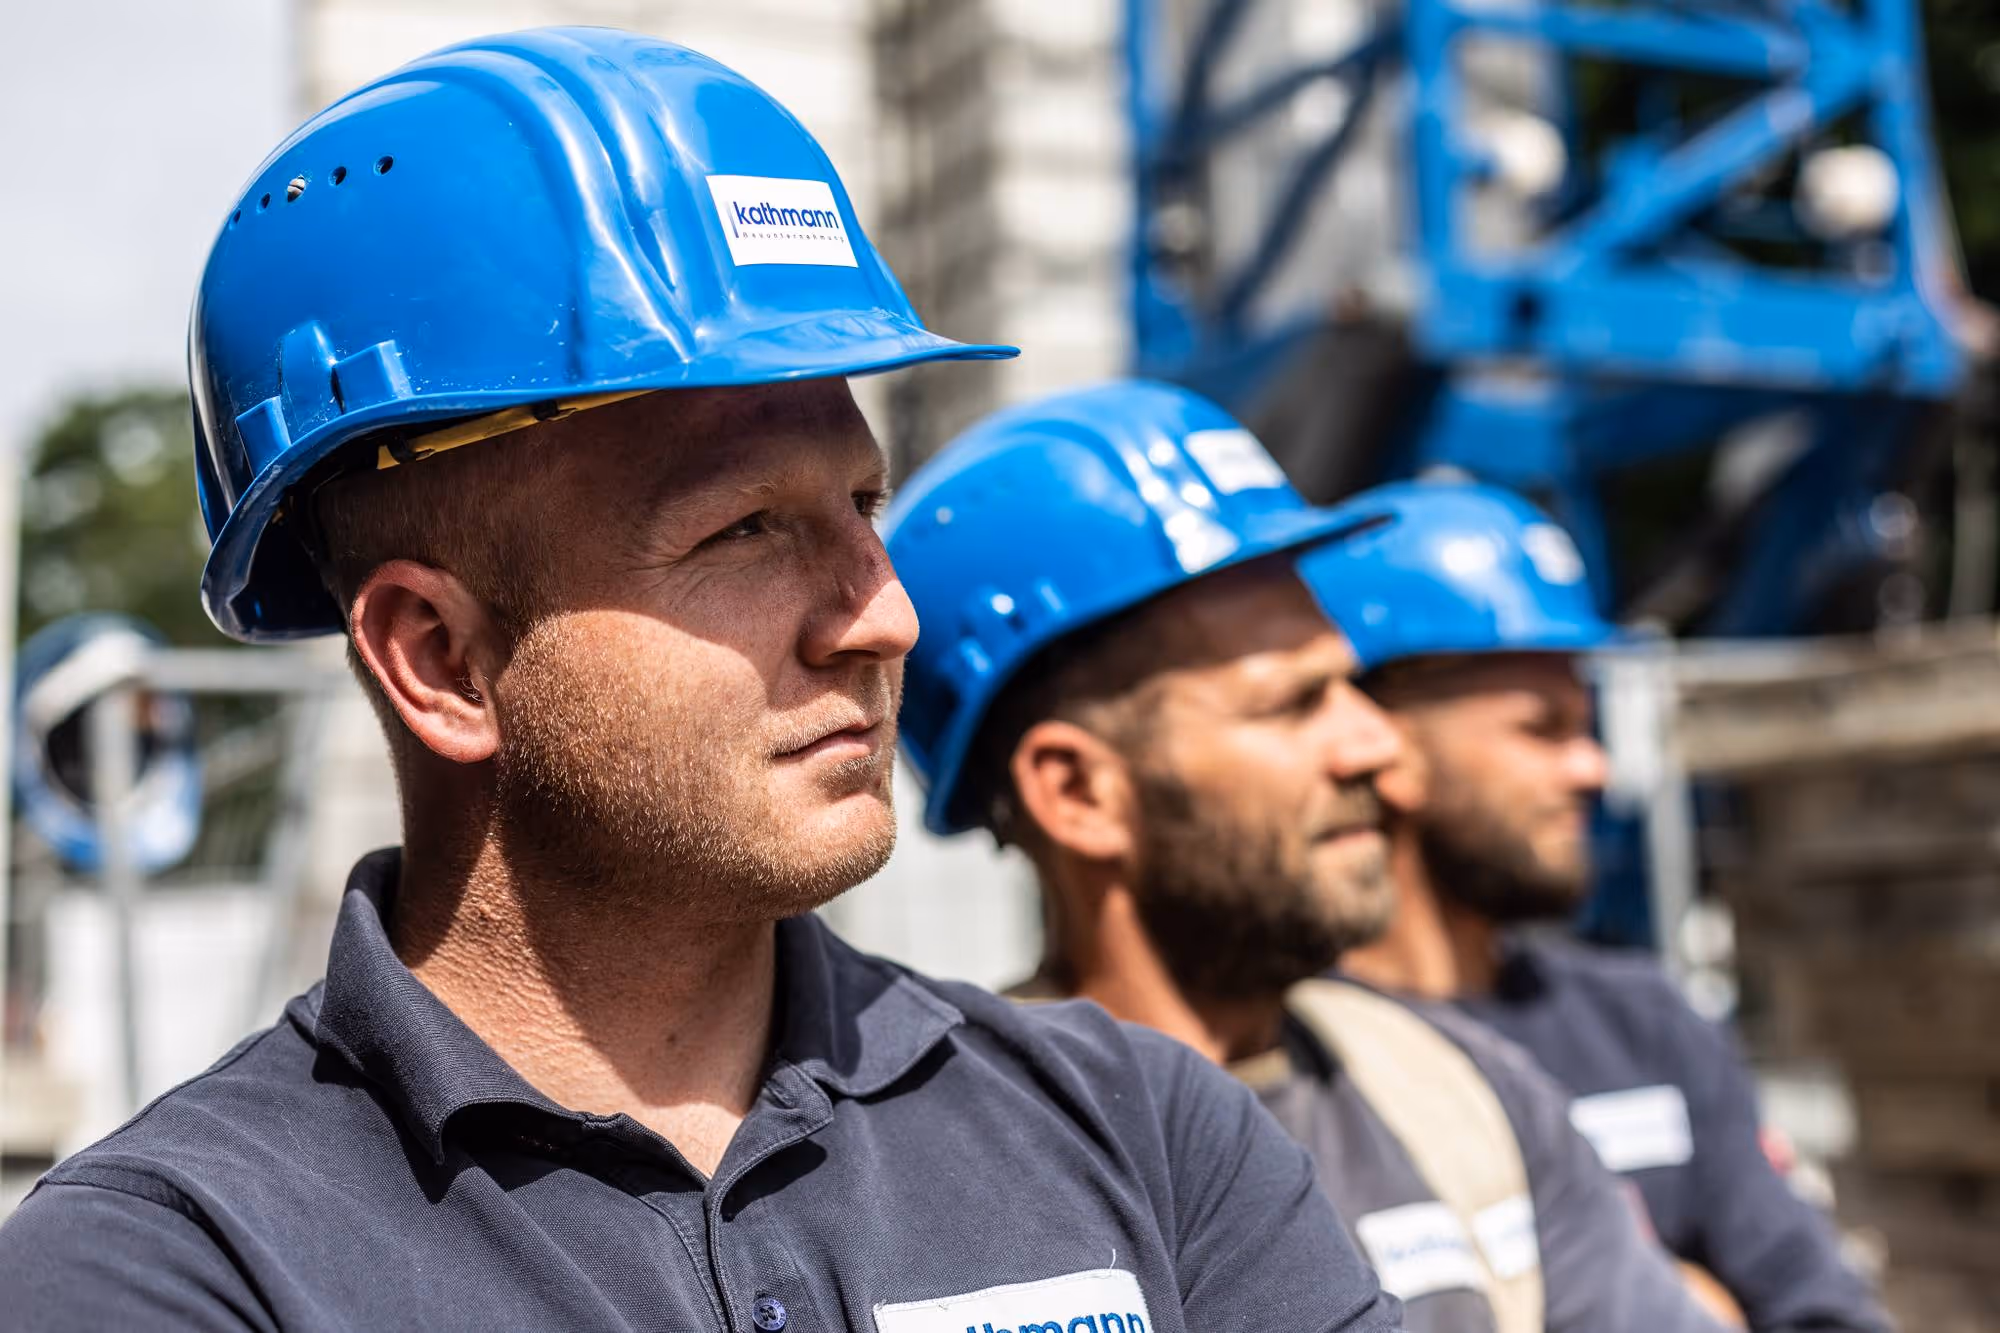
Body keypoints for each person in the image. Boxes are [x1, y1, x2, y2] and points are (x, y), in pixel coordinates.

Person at [0, 31, 1404, 1332]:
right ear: (441, 658)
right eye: (747, 531)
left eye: (865, 505)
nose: (887, 615)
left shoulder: (1146, 1137)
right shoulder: (181, 1267)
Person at [886, 378, 1736, 1333]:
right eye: (1295, 704)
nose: (1376, 745)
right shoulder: (930, 1189)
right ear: (1080, 792)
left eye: (1354, 687)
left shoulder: (1466, 1095)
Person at [1319, 481, 1891, 1332]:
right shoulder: (1301, 1068)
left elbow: (1825, 1310)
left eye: (1587, 726)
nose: (1591, 768)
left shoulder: (1645, 1020)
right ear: (1384, 741)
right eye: (1541, 727)